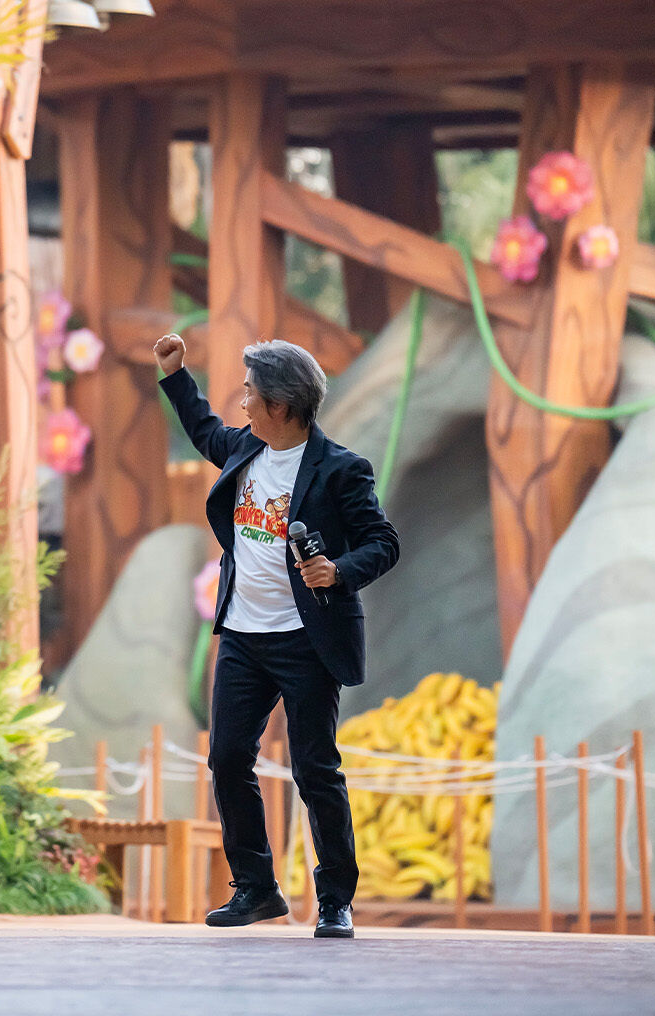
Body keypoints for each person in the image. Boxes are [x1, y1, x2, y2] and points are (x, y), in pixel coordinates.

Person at [155, 333, 399, 938]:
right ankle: (258, 890)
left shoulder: (341, 469)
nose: (242, 404)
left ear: (282, 406)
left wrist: (339, 571)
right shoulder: (244, 450)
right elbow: (207, 431)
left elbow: (383, 543)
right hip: (242, 635)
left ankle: (336, 899)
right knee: (228, 756)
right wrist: (175, 375)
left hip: (306, 639)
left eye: (250, 395)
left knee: (316, 769)